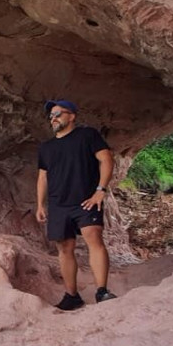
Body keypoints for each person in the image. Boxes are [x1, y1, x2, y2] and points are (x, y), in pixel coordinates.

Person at [35, 99, 118, 310]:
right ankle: (72, 296)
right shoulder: (46, 147)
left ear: (71, 116)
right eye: (51, 116)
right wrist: (40, 205)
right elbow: (42, 177)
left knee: (93, 237)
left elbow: (107, 159)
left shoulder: (87, 135)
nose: (53, 118)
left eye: (58, 114)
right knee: (64, 248)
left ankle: (102, 291)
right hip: (58, 204)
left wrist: (100, 191)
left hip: (85, 199)